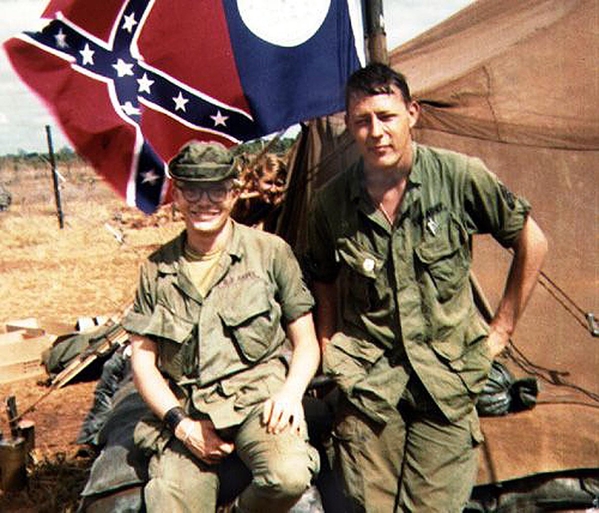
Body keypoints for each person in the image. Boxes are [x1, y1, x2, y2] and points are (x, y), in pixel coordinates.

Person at [305, 63, 548, 512]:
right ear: (349, 126)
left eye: (387, 116)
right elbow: (320, 277)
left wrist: (501, 331)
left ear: (412, 113)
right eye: (362, 120)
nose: (376, 132)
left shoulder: (458, 177)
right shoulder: (331, 203)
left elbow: (531, 240)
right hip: (370, 384)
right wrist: (328, 347)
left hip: (446, 381)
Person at [124, 141, 320, 512]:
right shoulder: (156, 269)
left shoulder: (270, 252)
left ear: (234, 192)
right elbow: (143, 364)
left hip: (258, 401)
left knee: (289, 475)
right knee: (169, 502)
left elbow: (306, 342)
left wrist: (291, 394)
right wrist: (182, 425)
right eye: (192, 189)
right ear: (176, 195)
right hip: (189, 406)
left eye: (216, 189)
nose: (204, 201)